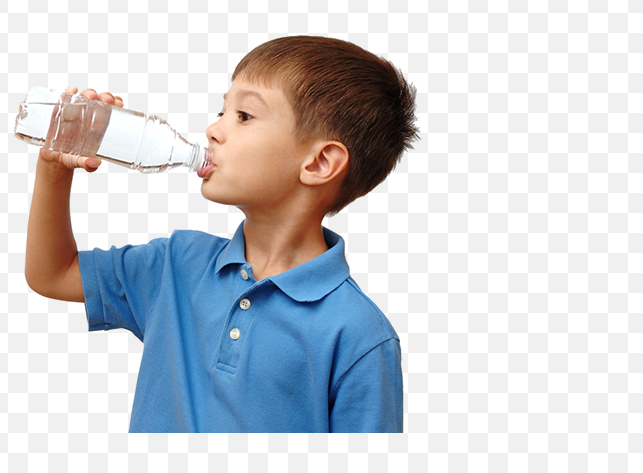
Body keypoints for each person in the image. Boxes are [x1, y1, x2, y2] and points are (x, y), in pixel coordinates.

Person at [25, 36, 419, 432]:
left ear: (318, 163)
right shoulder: (177, 265)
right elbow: (53, 273)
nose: (213, 129)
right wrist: (55, 168)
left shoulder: (359, 336)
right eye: (221, 110)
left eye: (244, 116)